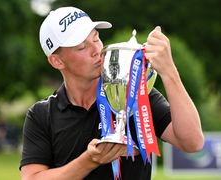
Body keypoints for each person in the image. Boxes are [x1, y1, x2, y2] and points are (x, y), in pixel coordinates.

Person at [20, 6, 204, 180]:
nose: (97, 50)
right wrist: (89, 161)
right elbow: (32, 177)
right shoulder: (41, 115)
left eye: (96, 38)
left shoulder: (134, 92)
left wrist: (169, 71)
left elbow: (192, 142)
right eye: (82, 47)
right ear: (56, 61)